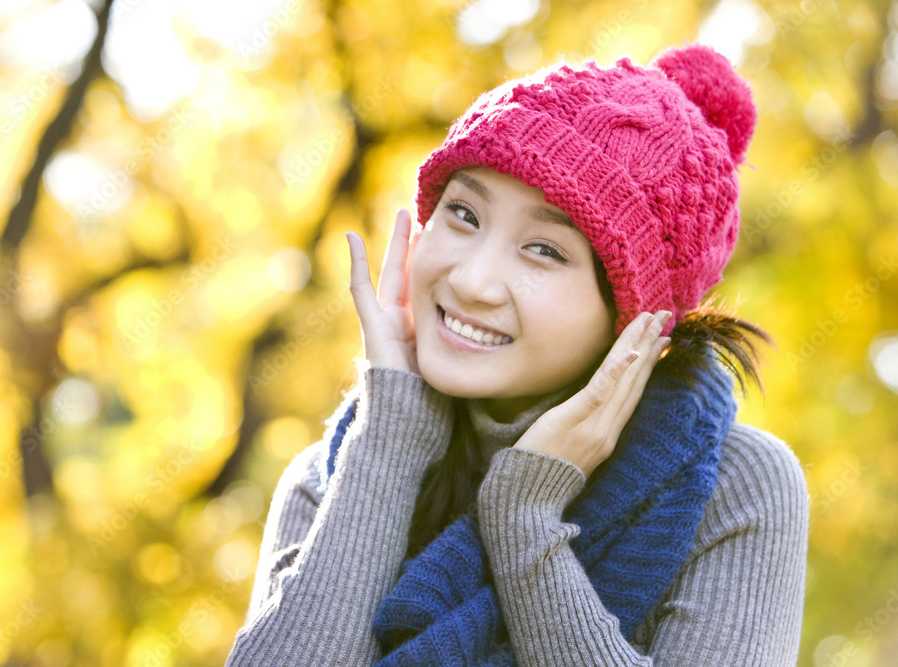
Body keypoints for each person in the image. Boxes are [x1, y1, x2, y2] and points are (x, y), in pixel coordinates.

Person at [224, 43, 808, 666]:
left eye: (545, 251)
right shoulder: (338, 473)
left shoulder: (735, 486)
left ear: (635, 323)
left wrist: (525, 519)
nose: (473, 281)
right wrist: (390, 440)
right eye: (464, 213)